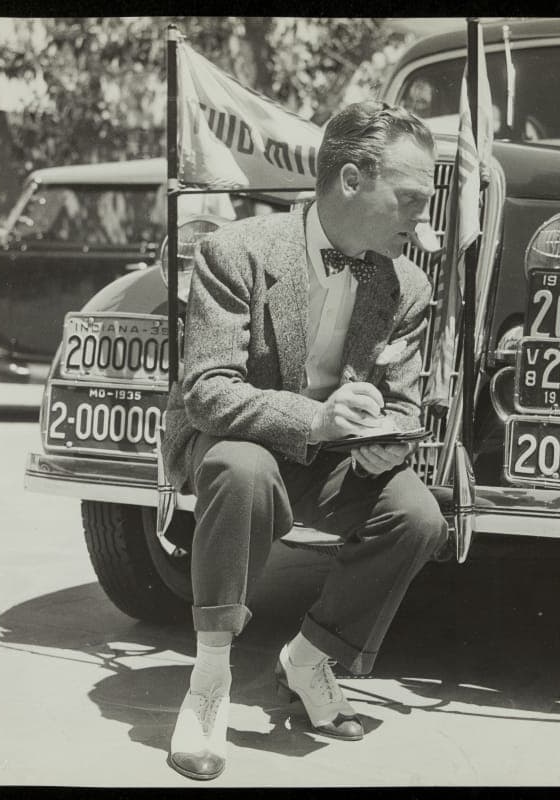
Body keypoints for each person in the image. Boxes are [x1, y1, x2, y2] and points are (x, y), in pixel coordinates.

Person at [158, 100, 450, 781]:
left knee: (417, 515)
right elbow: (208, 392)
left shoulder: (405, 283)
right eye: (410, 198)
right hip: (235, 443)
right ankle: (208, 681)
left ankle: (310, 659)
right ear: (350, 180)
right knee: (240, 467)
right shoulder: (236, 251)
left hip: (333, 461)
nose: (421, 218)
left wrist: (388, 440)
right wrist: (313, 420)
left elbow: (402, 400)